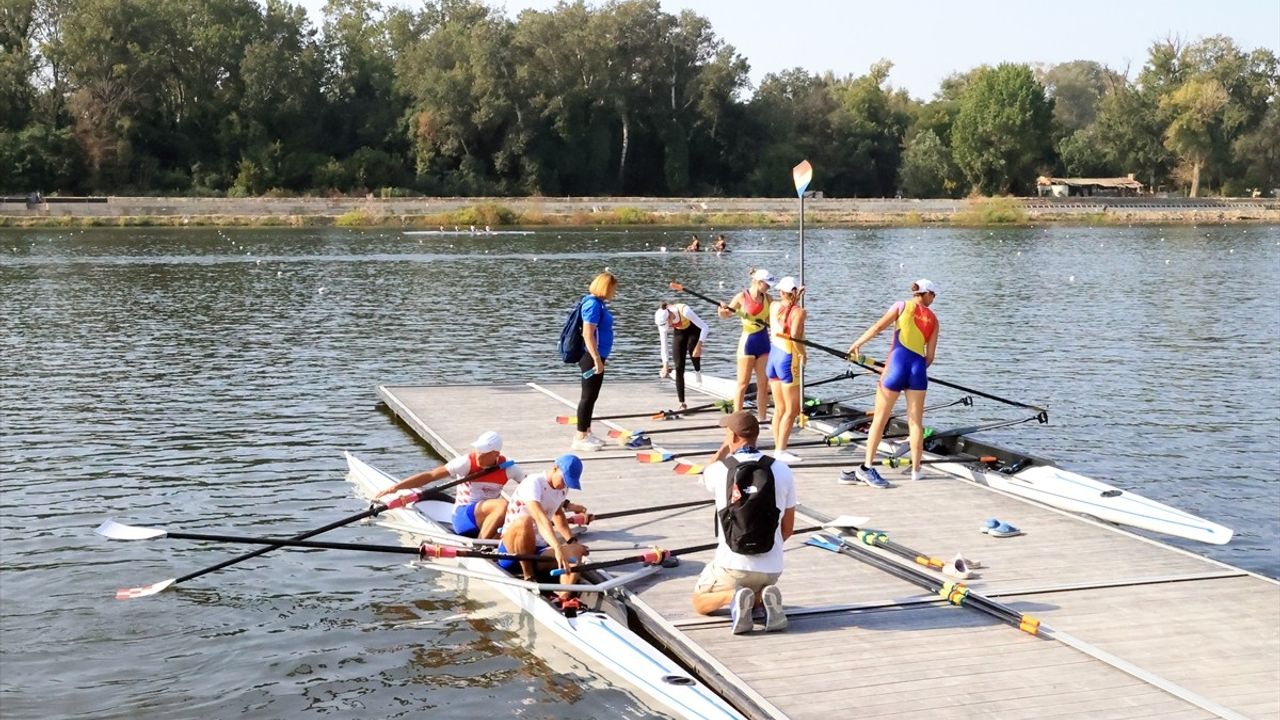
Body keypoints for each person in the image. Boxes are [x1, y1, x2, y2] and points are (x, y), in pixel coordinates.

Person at [691, 412, 796, 635]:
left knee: (699, 602)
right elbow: (788, 529)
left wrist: (723, 449)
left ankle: (734, 596)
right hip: (772, 567)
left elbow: (703, 476)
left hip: (732, 565)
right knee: (753, 589)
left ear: (733, 435)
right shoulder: (782, 470)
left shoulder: (719, 470)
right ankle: (760, 598)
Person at [845, 279, 941, 487]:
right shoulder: (934, 319)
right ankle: (916, 470)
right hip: (917, 371)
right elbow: (930, 356)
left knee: (880, 418)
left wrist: (857, 344)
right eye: (933, 295)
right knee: (915, 423)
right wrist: (914, 370)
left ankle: (867, 466)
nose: (934, 299)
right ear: (926, 294)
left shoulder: (901, 306)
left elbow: (878, 327)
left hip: (895, 367)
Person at [375, 431, 524, 540]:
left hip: (488, 519)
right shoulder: (465, 462)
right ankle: (481, 545)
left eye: (483, 453)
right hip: (463, 517)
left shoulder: (509, 468)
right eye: (478, 450)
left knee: (518, 523)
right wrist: (397, 487)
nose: (478, 455)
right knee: (502, 505)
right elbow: (431, 475)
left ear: (495, 454)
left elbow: (530, 487)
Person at [498, 454, 590, 603]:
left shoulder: (562, 489)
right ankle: (529, 577)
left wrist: (571, 541)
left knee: (576, 552)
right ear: (555, 468)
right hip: (511, 551)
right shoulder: (533, 483)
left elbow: (558, 514)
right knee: (525, 521)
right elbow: (540, 519)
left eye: (568, 482)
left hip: (538, 551)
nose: (564, 485)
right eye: (564, 480)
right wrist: (557, 547)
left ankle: (562, 599)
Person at [719, 268, 774, 421]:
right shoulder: (742, 297)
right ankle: (737, 419)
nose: (768, 287)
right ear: (758, 282)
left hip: (764, 342)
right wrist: (721, 311)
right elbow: (726, 315)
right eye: (767, 284)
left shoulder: (769, 299)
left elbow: (774, 319)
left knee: (763, 384)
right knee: (743, 384)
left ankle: (762, 418)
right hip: (747, 343)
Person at [573, 272, 617, 452]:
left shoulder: (599, 304)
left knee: (593, 396)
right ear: (605, 287)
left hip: (598, 355)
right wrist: (597, 359)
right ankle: (580, 436)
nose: (615, 292)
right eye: (614, 289)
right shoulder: (592, 304)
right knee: (587, 396)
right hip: (591, 356)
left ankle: (587, 431)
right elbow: (587, 334)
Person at [766, 277, 806, 464]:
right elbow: (796, 337)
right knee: (793, 409)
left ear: (781, 292)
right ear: (795, 292)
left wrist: (796, 297)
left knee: (779, 409)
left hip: (773, 358)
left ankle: (778, 447)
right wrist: (804, 355)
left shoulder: (773, 306)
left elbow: (784, 315)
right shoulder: (799, 312)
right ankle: (781, 450)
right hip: (788, 361)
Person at [659, 300, 710, 410]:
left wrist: (699, 345)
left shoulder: (685, 311)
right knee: (678, 367)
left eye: (669, 323)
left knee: (693, 351)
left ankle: (698, 371)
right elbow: (664, 345)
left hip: (693, 330)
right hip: (680, 334)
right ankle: (682, 403)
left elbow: (705, 327)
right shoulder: (661, 319)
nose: (669, 327)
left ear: (670, 316)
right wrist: (665, 365)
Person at [654, 302, 674, 378]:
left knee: (665, 344)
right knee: (664, 344)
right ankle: (666, 366)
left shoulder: (669, 312)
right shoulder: (660, 314)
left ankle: (666, 366)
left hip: (663, 323)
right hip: (662, 324)